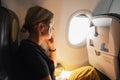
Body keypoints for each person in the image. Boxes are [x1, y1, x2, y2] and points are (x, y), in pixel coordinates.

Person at [11, 6, 57, 80]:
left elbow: (53, 66)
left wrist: (51, 46)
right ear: (41, 27)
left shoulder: (31, 45)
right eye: (51, 25)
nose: (53, 29)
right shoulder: (33, 55)